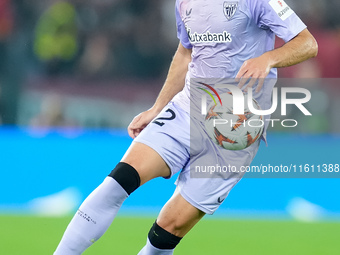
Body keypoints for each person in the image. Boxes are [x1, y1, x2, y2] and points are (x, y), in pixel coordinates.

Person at [54, 0, 318, 254]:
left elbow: (307, 43)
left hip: (236, 130)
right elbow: (184, 53)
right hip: (187, 109)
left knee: (167, 231)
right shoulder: (184, 2)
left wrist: (269, 58)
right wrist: (157, 108)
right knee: (119, 180)